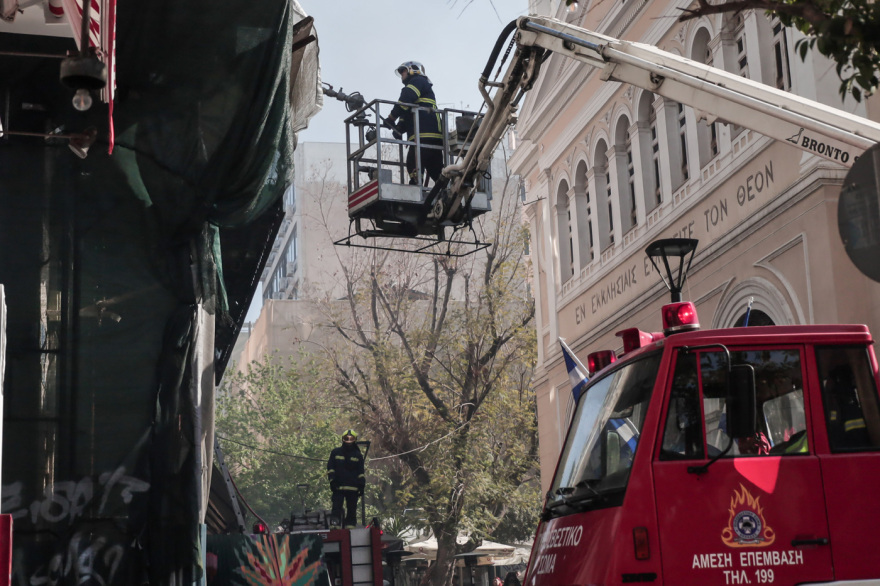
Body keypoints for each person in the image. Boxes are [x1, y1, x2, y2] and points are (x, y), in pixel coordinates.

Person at [384, 61, 444, 186]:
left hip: (424, 135)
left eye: (403, 71)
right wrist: (399, 129)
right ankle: (446, 190)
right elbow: (407, 111)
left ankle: (416, 184)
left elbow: (405, 101)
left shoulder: (417, 81)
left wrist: (391, 118)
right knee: (435, 170)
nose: (402, 75)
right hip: (430, 136)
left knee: (413, 161)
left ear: (413, 70)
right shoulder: (421, 85)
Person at [327, 429, 365, 529]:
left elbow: (361, 472)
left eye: (351, 438)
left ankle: (350, 526)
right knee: (336, 508)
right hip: (338, 487)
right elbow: (330, 468)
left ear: (355, 440)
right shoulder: (335, 452)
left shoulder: (358, 455)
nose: (348, 440)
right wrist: (332, 481)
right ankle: (335, 525)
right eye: (346, 438)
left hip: (353, 488)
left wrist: (361, 485)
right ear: (342, 439)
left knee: (351, 509)